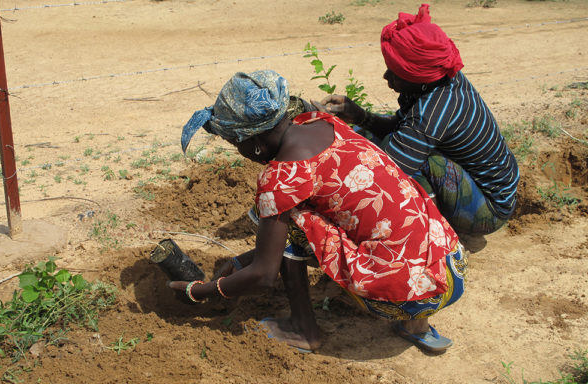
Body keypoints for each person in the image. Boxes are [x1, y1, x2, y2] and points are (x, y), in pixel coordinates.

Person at [170, 69, 467, 353]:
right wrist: (239, 261)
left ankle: (303, 329)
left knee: (288, 218)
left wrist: (199, 291)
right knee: (362, 217)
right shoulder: (325, 123)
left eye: (236, 144)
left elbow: (263, 275)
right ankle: (417, 328)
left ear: (256, 143)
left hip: (407, 297)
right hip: (450, 267)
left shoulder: (281, 179)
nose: (240, 152)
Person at [313, 3, 519, 236]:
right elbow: (400, 129)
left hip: (489, 208)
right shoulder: (439, 76)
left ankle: (435, 241)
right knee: (366, 135)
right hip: (482, 181)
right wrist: (360, 116)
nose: (386, 77)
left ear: (418, 78)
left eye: (396, 74)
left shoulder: (434, 110)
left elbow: (386, 172)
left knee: (407, 168)